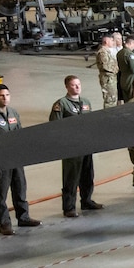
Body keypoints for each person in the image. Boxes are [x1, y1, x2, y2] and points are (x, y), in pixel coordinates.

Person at [0, 85, 39, 236]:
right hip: (0, 161)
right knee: (0, 193)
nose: (5, 98)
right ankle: (4, 223)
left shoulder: (13, 112)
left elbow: (20, 134)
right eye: (1, 96)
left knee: (20, 188)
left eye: (7, 95)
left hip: (15, 158)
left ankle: (23, 217)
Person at [47, 75, 103, 218]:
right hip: (71, 147)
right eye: (73, 85)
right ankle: (69, 207)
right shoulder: (61, 104)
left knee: (87, 174)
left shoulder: (86, 102)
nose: (77, 87)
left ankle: (86, 200)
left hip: (86, 145)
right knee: (71, 177)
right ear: (67, 87)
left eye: (78, 84)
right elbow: (54, 126)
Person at [94, 32, 122, 109]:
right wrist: (117, 69)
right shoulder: (103, 52)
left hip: (111, 78)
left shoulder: (107, 51)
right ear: (106, 41)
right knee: (110, 100)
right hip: (108, 79)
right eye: (112, 40)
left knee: (113, 98)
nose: (113, 42)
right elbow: (106, 66)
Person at [115, 33, 134, 103]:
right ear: (131, 43)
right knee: (133, 99)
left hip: (123, 79)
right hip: (131, 80)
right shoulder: (130, 54)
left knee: (126, 100)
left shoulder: (119, 53)